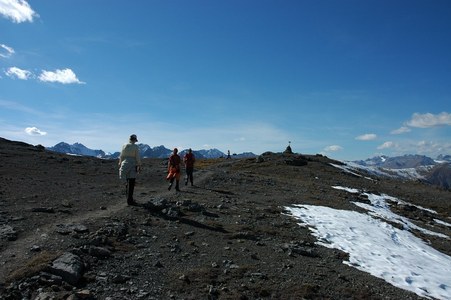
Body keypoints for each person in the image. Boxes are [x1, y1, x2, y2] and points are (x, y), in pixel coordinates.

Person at [118, 134, 141, 205]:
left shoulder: (124, 145)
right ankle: (130, 200)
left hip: (124, 164)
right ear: (134, 140)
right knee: (131, 183)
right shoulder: (135, 146)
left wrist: (120, 163)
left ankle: (128, 198)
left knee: (127, 182)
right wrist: (139, 165)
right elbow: (137, 156)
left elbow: (121, 155)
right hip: (132, 164)